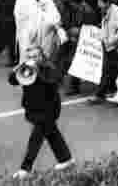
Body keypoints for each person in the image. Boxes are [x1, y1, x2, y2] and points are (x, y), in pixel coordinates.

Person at [9, 45, 75, 179]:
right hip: (34, 108)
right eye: (29, 57)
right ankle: (65, 159)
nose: (32, 59)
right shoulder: (25, 68)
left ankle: (25, 169)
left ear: (41, 56)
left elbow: (53, 82)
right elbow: (12, 81)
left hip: (48, 109)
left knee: (36, 139)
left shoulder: (49, 67)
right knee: (52, 133)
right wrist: (15, 70)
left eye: (35, 56)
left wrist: (37, 71)